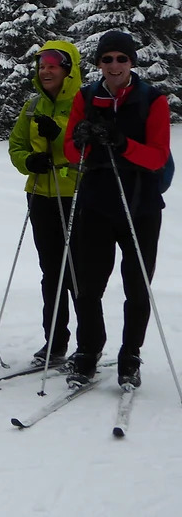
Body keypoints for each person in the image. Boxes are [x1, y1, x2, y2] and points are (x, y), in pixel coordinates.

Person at [63, 31, 170, 388]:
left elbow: (157, 156)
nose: (114, 66)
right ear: (99, 63)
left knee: (137, 286)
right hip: (96, 200)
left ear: (131, 62)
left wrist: (122, 143)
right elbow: (69, 152)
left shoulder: (151, 99)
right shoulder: (86, 96)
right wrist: (82, 139)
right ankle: (88, 351)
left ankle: (130, 356)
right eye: (107, 59)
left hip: (139, 202)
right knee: (89, 285)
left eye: (121, 59)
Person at [7, 41, 83, 366]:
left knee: (78, 274)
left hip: (77, 196)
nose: (46, 70)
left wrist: (60, 133)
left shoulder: (85, 102)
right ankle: (55, 342)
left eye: (53, 65)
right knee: (51, 272)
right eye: (41, 65)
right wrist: (30, 161)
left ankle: (88, 346)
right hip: (40, 194)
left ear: (68, 69)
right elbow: (16, 146)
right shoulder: (33, 104)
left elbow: (87, 147)